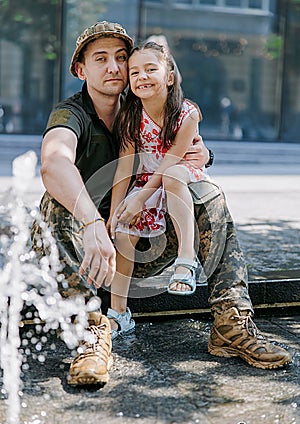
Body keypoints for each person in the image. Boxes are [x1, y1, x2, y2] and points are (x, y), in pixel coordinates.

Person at [31, 21, 291, 388]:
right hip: (86, 256)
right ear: (80, 70)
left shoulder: (142, 105)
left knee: (208, 195)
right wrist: (92, 223)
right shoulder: (71, 114)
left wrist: (203, 154)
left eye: (121, 58)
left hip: (142, 243)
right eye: (100, 58)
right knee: (55, 206)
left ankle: (231, 324)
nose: (114, 68)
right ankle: (90, 334)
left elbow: (178, 149)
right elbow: (52, 162)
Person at [106, 41, 210, 340]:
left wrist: (140, 197)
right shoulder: (130, 115)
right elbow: (125, 167)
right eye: (135, 72)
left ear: (169, 76)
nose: (142, 76)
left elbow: (172, 160)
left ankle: (185, 261)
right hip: (146, 182)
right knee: (124, 231)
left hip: (176, 173)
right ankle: (118, 313)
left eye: (151, 69)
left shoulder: (186, 113)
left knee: (174, 175)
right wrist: (117, 211)